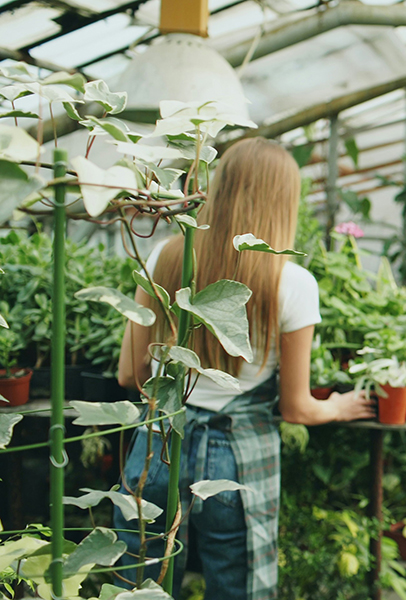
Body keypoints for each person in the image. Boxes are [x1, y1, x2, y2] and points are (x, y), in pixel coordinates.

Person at [115, 138, 374, 600]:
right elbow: (296, 408)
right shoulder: (291, 282)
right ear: (283, 200)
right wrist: (337, 407)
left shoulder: (167, 256)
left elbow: (127, 374)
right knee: (239, 584)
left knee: (138, 579)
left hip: (157, 447)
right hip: (235, 460)